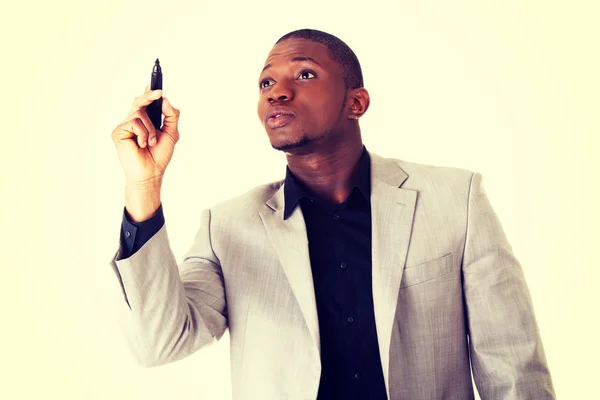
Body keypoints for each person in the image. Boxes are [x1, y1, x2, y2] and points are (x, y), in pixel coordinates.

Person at [109, 29, 555, 400]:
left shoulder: (456, 200)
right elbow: (159, 344)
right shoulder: (226, 227)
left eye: (304, 74)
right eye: (266, 83)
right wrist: (143, 187)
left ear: (356, 103)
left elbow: (513, 366)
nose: (278, 91)